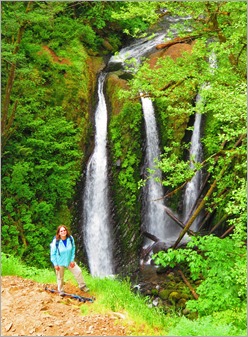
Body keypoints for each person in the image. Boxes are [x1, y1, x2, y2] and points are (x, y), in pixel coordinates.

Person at [50, 225, 89, 294]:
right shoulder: (56, 241)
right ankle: (61, 290)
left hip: (69, 260)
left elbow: (73, 249)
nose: (63, 232)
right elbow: (53, 254)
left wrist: (72, 260)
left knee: (78, 271)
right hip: (59, 262)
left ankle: (83, 286)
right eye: (61, 231)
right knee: (60, 277)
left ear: (66, 231)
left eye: (64, 230)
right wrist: (55, 264)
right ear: (59, 233)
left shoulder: (70, 238)